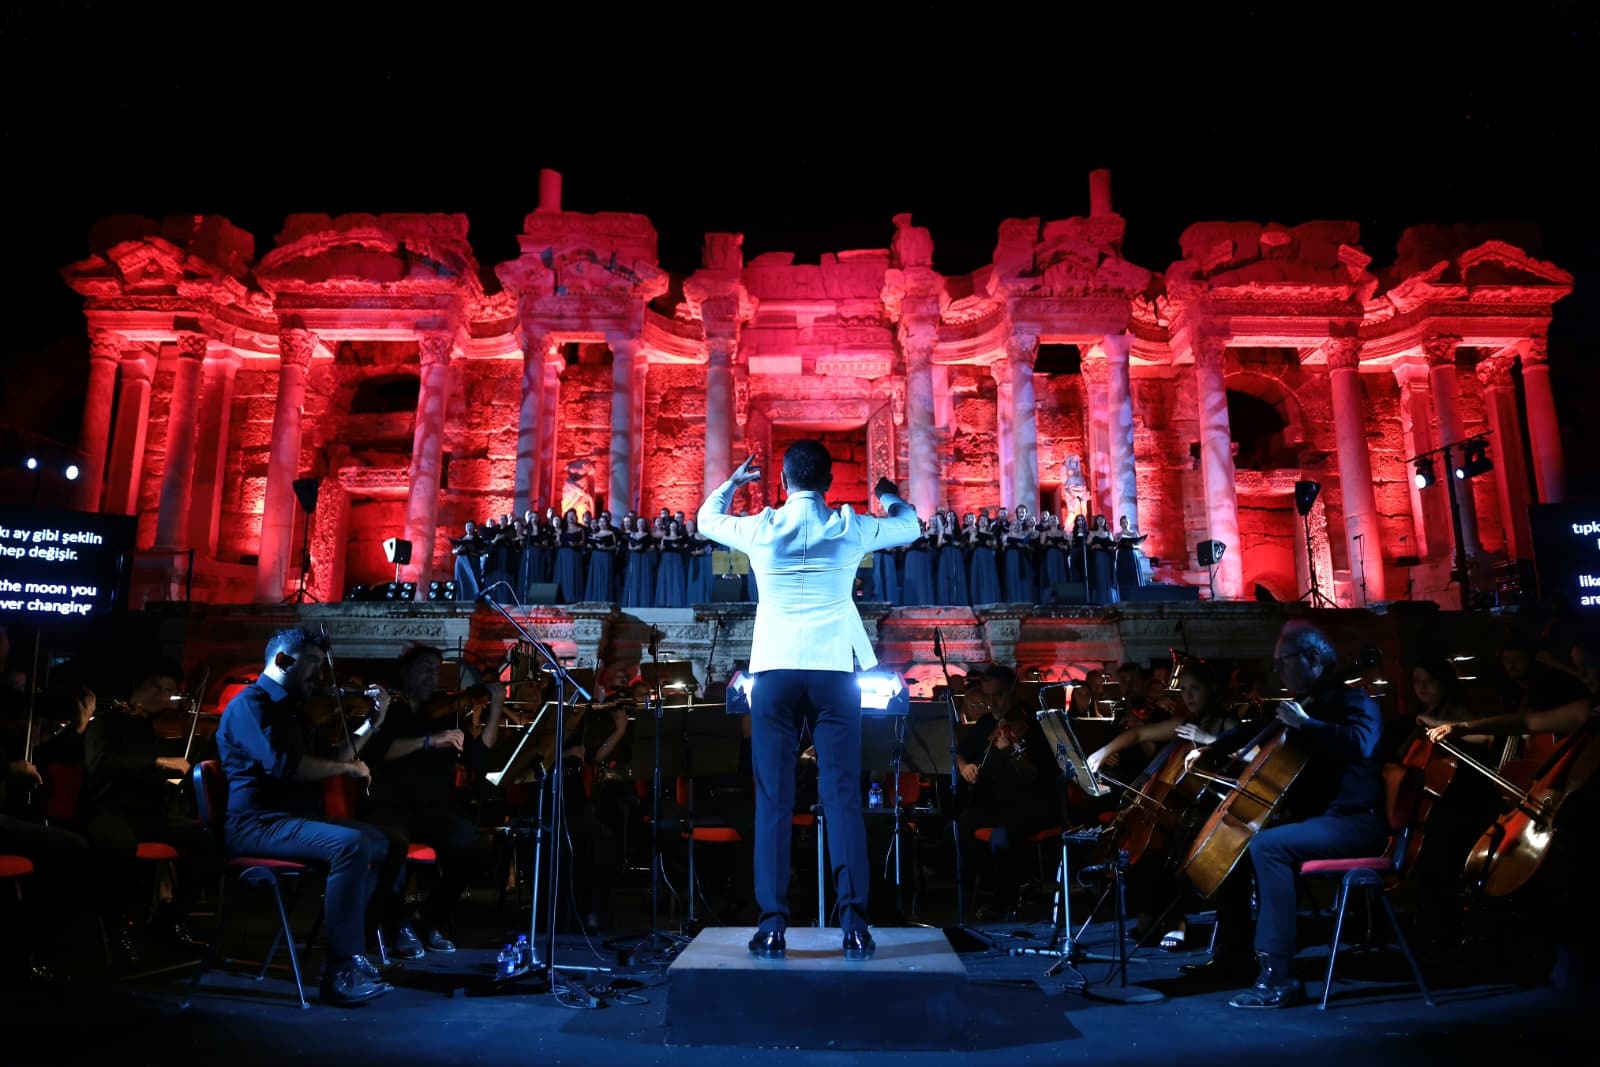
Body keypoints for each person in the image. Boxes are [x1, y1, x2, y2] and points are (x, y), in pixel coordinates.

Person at [697, 442, 920, 961]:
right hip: (833, 672)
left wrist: (734, 483)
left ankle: (772, 926)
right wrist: (887, 497)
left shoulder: (761, 526)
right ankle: (854, 927)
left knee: (773, 801)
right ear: (829, 484)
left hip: (774, 672)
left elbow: (708, 518)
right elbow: (911, 527)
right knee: (842, 798)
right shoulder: (849, 525)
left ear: (782, 481)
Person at [1188, 620, 1386, 1009]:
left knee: (1268, 846)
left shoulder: (1356, 701)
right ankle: (1235, 956)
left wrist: (1307, 725)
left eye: (1283, 662)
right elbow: (1258, 728)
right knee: (1239, 844)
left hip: (1354, 822)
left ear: (1313, 657)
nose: (1278, 671)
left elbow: (1360, 744)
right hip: (1320, 820)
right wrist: (1214, 748)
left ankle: (1279, 976)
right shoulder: (1311, 704)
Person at [214, 626, 396, 1005]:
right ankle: (339, 969)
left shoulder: (293, 710)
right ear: (282, 660)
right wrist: (346, 771)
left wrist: (373, 722)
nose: (320, 674)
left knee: (389, 844)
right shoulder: (251, 705)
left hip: (291, 821)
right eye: (312, 663)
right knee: (352, 845)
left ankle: (357, 951)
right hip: (257, 824)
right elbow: (285, 767)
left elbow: (334, 759)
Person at [363, 644, 506, 957]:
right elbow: (378, 751)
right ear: (406, 671)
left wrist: (495, 707)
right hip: (391, 806)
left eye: (437, 669)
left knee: (477, 847)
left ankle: (428, 918)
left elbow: (479, 758)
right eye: (426, 667)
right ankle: (392, 924)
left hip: (432, 810)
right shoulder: (388, 708)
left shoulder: (444, 712)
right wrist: (429, 741)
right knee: (394, 846)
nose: (433, 675)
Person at [82, 661, 211, 954]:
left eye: (168, 691)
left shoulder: (149, 727)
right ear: (137, 687)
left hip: (147, 813)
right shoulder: (106, 720)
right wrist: (158, 762)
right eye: (156, 687)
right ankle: (115, 929)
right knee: (120, 847)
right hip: (108, 810)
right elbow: (100, 763)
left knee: (208, 839)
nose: (162, 696)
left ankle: (170, 921)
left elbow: (148, 776)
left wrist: (175, 783)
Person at [954, 664, 1061, 920]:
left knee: (1003, 838)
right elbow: (960, 752)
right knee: (960, 824)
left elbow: (1035, 774)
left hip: (1029, 805)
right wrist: (964, 767)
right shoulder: (987, 722)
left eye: (998, 695)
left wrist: (1010, 750)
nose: (992, 702)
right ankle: (972, 896)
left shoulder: (1032, 722)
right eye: (987, 696)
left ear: (1013, 691)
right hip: (994, 801)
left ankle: (1006, 901)